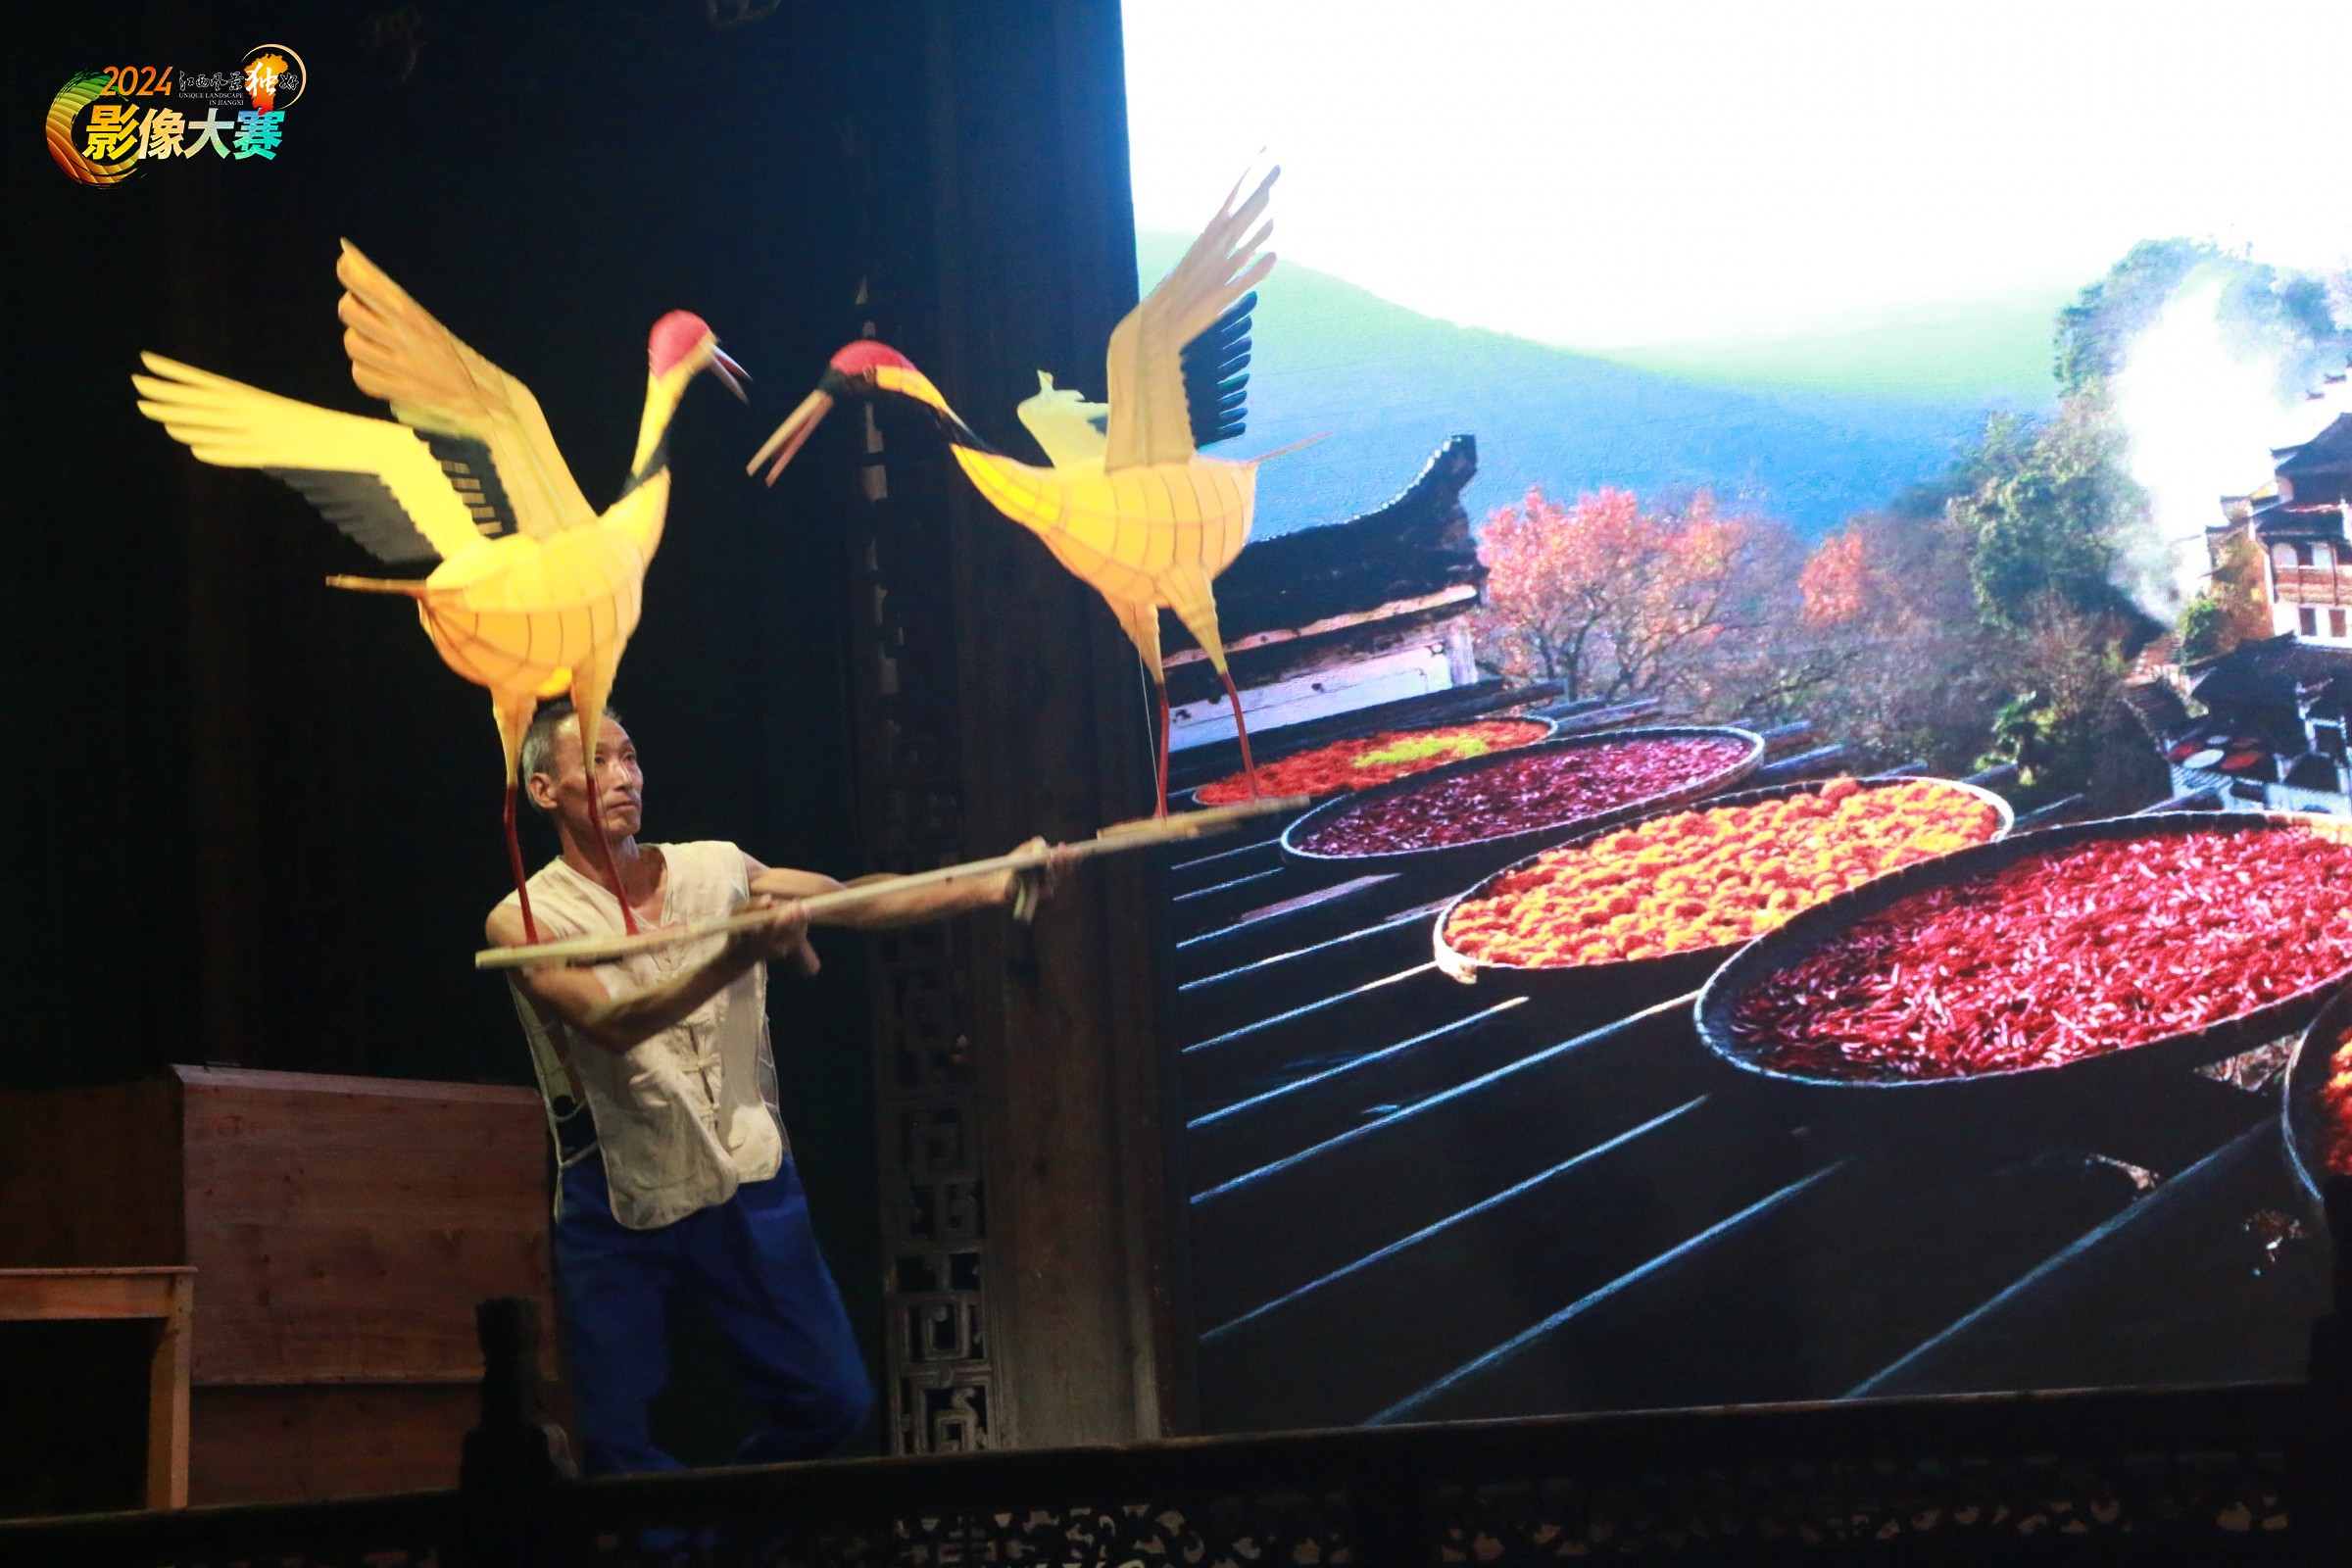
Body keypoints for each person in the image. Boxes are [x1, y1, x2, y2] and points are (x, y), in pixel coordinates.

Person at [485, 697, 1054, 1473]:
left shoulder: (714, 867)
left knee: (834, 1402)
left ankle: (724, 1525)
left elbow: (855, 897)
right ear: (545, 791)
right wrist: (738, 954)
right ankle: (678, 1535)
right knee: (610, 1441)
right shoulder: (525, 919)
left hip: (742, 1165)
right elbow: (614, 1023)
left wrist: (993, 885)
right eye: (597, 761)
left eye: (631, 756)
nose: (624, 777)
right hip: (618, 1183)